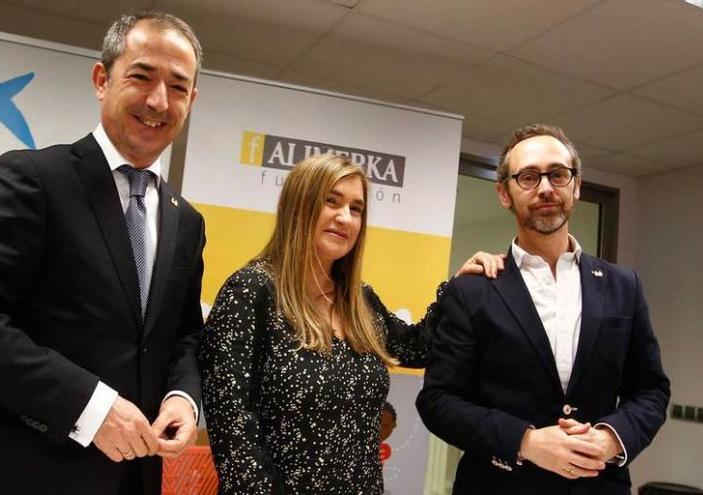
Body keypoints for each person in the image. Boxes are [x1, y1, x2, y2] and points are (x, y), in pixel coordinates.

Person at [0, 12, 205, 495]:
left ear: (192, 100)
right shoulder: (34, 179)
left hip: (135, 480)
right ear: (102, 79)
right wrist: (89, 408)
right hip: (28, 475)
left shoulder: (187, 221)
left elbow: (183, 336)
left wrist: (183, 397)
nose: (159, 100)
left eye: (178, 87)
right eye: (141, 76)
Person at [199, 153, 503, 494]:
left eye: (356, 209)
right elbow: (233, 428)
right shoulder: (250, 291)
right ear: (298, 206)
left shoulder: (359, 299)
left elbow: (416, 348)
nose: (345, 218)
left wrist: (458, 288)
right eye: (332, 202)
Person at [416, 124, 670, 495]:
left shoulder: (623, 285)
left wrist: (610, 439)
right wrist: (526, 441)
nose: (546, 188)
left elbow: (650, 390)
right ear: (504, 193)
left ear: (576, 185)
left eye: (558, 174)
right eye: (529, 177)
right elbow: (438, 400)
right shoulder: (472, 290)